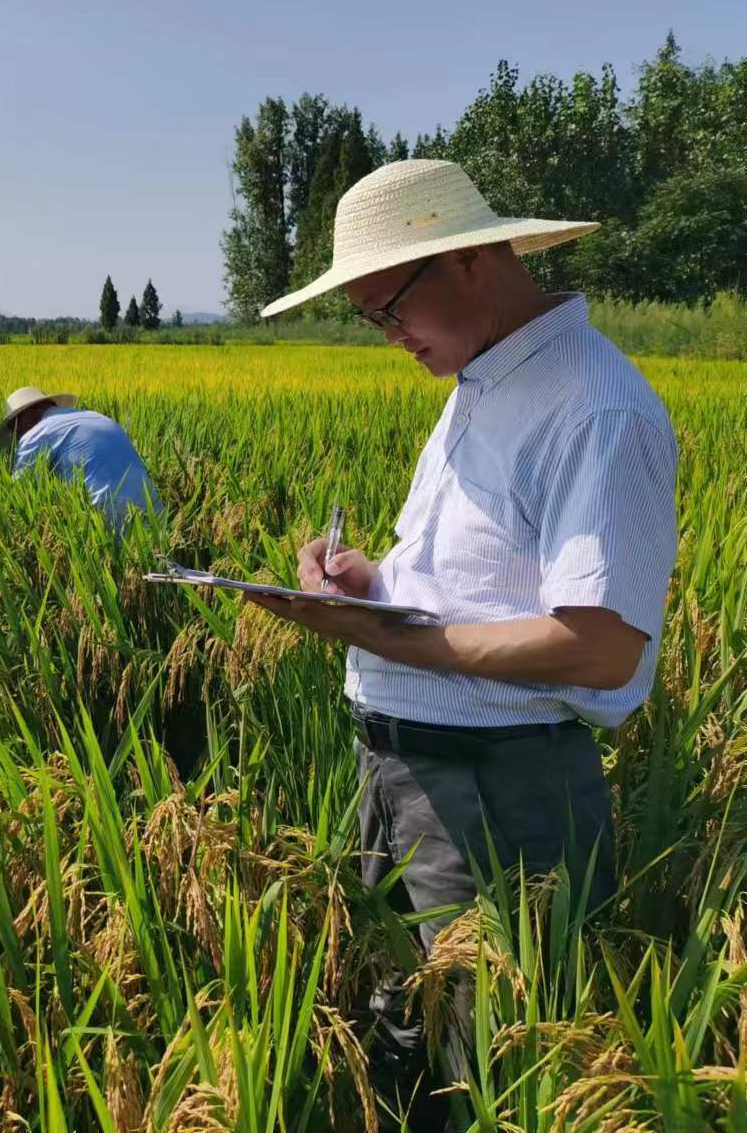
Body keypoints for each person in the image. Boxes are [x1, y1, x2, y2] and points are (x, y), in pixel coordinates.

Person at [248, 159, 678, 1127]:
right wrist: (375, 584)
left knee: (482, 1068)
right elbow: (474, 584)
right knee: (400, 1036)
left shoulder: (594, 408)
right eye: (369, 318)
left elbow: (602, 646)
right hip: (406, 780)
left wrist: (402, 642)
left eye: (390, 306)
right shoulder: (476, 381)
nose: (389, 335)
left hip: (497, 799)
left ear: (476, 257)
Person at [0, 385, 164, 526]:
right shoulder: (97, 417)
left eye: (13, 428)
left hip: (108, 519)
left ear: (24, 417)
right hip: (155, 513)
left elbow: (20, 493)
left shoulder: (37, 433)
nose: (17, 436)